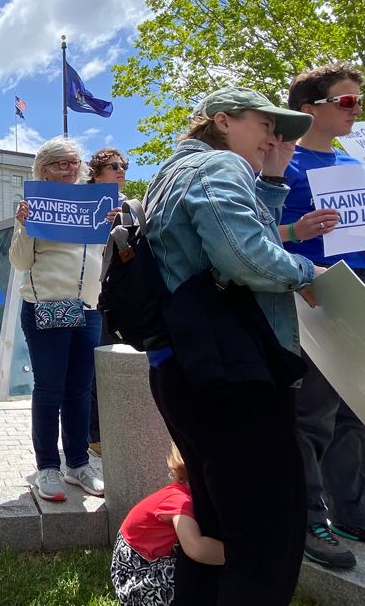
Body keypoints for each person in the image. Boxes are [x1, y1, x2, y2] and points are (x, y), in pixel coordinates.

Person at [144, 86, 319, 605]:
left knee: (219, 521)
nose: (274, 136)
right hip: (235, 372)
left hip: (187, 368)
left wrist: (272, 175)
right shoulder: (219, 167)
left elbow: (219, 240)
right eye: (265, 124)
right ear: (222, 121)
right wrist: (309, 272)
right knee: (268, 534)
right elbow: (244, 256)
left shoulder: (173, 172)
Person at [279, 63, 365, 567]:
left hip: (361, 285)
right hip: (312, 293)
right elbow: (257, 233)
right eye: (346, 101)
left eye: (358, 101)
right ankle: (309, 516)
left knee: (357, 408)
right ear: (307, 109)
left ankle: (356, 510)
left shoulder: (354, 168)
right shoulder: (280, 162)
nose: (356, 110)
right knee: (312, 413)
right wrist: (297, 234)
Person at [10, 136, 106, 503]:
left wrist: (111, 222)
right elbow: (20, 263)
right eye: (61, 163)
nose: (70, 169)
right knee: (50, 389)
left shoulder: (92, 203)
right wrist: (23, 224)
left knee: (80, 390)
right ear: (44, 169)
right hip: (46, 305)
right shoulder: (36, 206)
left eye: (74, 163)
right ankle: (47, 466)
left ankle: (78, 463)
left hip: (87, 306)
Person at [111, 445, 224, 605]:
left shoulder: (176, 494)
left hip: (136, 571)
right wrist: (240, 555)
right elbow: (195, 546)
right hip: (136, 580)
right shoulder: (179, 501)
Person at [85, 146, 131, 458]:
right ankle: (94, 435)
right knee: (93, 371)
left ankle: (122, 429)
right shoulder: (82, 205)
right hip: (91, 298)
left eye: (123, 165)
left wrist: (126, 224)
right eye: (113, 166)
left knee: (125, 366)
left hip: (126, 298)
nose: (121, 170)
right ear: (97, 174)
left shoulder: (132, 206)